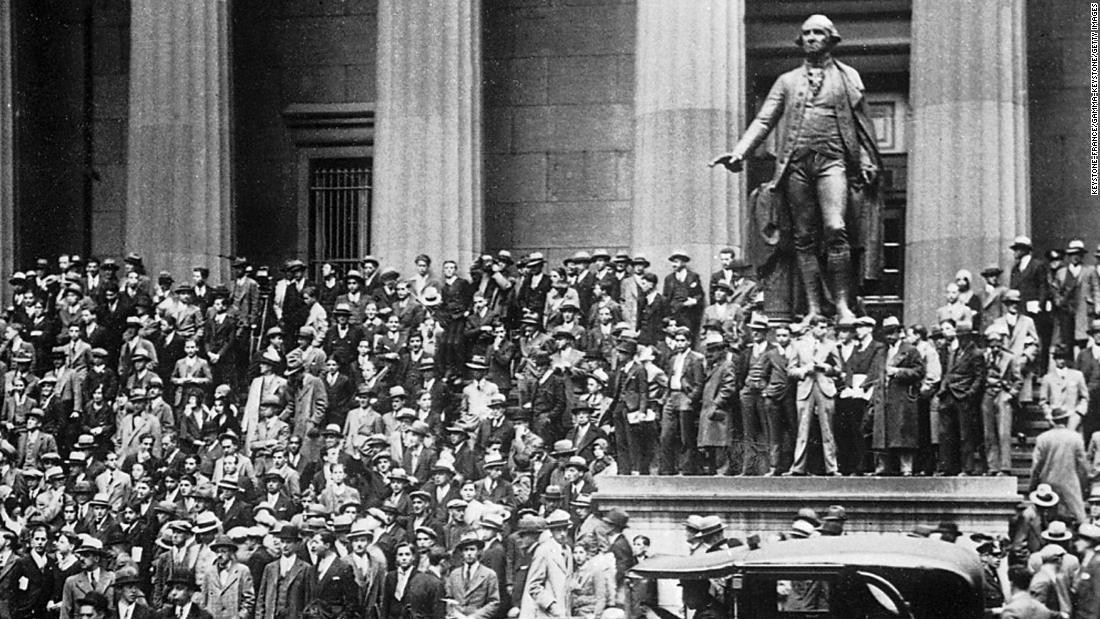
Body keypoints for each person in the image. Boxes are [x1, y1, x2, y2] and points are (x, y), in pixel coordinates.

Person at [711, 13, 883, 321]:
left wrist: (867, 159)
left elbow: (862, 124)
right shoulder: (787, 81)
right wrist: (740, 153)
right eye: (806, 33)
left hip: (833, 160)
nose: (811, 38)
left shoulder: (848, 78)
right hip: (796, 164)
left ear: (832, 39)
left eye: (818, 33)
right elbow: (764, 120)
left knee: (835, 228)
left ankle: (843, 304)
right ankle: (815, 307)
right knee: (803, 237)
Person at [785, 316, 840, 476]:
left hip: (825, 388)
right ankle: (798, 467)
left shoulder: (831, 345)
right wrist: (804, 371)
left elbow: (840, 369)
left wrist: (827, 368)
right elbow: (790, 370)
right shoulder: (799, 345)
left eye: (826, 328)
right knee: (802, 429)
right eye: (821, 327)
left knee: (827, 429)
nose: (824, 331)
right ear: (812, 328)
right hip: (805, 388)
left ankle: (832, 468)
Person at [871, 316, 924, 476]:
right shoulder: (882, 352)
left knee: (903, 434)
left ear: (898, 332)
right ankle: (882, 467)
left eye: (891, 332)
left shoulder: (910, 350)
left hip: (902, 397)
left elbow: (919, 371)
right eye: (886, 333)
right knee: (883, 434)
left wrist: (898, 372)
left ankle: (906, 467)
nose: (889, 336)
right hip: (884, 396)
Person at [1031, 406, 1090, 527]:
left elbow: (1036, 465)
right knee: (1080, 518)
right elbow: (1083, 466)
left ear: (1053, 420)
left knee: (1046, 517)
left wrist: (1033, 486)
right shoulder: (1076, 438)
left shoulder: (1043, 438)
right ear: (1067, 419)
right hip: (1070, 483)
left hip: (1047, 482)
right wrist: (1084, 486)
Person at [519, 510, 571, 619]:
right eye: (558, 530)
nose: (562, 534)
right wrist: (551, 605)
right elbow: (534, 586)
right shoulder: (544, 550)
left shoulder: (568, 550)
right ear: (551, 531)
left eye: (565, 529)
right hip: (546, 613)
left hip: (564, 610)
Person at [256, 525, 316, 619]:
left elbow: (309, 600)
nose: (284, 546)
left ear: (297, 544)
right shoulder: (270, 567)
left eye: (289, 542)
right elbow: (261, 598)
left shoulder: (305, 568)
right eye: (282, 542)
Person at [444, 532, 501, 619]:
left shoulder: (489, 574)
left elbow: (494, 602)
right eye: (466, 550)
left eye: (472, 549)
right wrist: (456, 614)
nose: (469, 553)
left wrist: (474, 616)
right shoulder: (454, 574)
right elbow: (448, 599)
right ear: (462, 553)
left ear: (478, 552)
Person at [201, 535, 255, 619]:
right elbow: (203, 599)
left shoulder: (242, 570)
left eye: (223, 551)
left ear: (230, 552)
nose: (219, 555)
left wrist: (240, 616)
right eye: (217, 552)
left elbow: (249, 599)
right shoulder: (209, 572)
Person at [1074, 523, 1100, 618]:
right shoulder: (1088, 560)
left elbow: (1097, 596)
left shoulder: (1097, 563)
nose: (1076, 543)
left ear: (1089, 542)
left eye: (1079, 540)